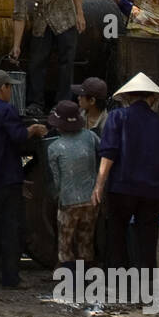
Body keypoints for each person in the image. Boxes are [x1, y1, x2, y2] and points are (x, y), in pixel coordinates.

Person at [92, 73, 159, 273]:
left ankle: (118, 283)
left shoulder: (117, 117)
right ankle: (145, 288)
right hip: (152, 191)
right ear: (152, 98)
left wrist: (99, 184)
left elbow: (109, 152)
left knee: (116, 235)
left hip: (122, 188)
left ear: (128, 97)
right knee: (147, 239)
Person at [0, 69, 42, 288]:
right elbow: (18, 136)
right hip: (7, 179)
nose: (11, 91)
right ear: (2, 88)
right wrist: (33, 129)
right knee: (11, 230)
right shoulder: (6, 110)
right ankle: (11, 278)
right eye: (10, 86)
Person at [9, 0, 85, 114]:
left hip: (65, 19)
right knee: (37, 62)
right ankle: (36, 103)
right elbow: (19, 16)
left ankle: (62, 104)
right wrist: (17, 45)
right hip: (42, 23)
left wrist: (80, 14)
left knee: (66, 62)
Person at [47, 100, 100, 274]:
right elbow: (103, 156)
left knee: (66, 244)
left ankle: (70, 285)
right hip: (91, 200)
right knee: (86, 241)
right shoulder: (91, 137)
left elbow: (56, 180)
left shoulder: (54, 147)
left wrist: (58, 196)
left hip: (68, 201)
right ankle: (86, 280)